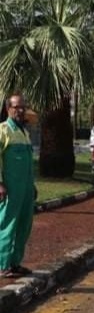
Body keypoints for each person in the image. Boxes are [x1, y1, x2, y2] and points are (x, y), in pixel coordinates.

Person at [0, 95, 36, 279]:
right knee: (7, 225)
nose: (21, 110)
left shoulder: (24, 133)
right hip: (11, 188)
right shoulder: (4, 130)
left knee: (24, 225)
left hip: (26, 188)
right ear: (8, 109)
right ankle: (2, 264)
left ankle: (15, 262)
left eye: (23, 107)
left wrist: (33, 186)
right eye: (17, 107)